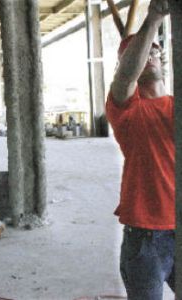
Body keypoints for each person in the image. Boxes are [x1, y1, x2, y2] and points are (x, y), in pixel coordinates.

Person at [106, 0, 174, 299]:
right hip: (145, 236)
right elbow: (125, 77)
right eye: (143, 52)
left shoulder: (175, 105)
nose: (151, 55)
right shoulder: (126, 107)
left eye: (155, 51)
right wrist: (154, 19)